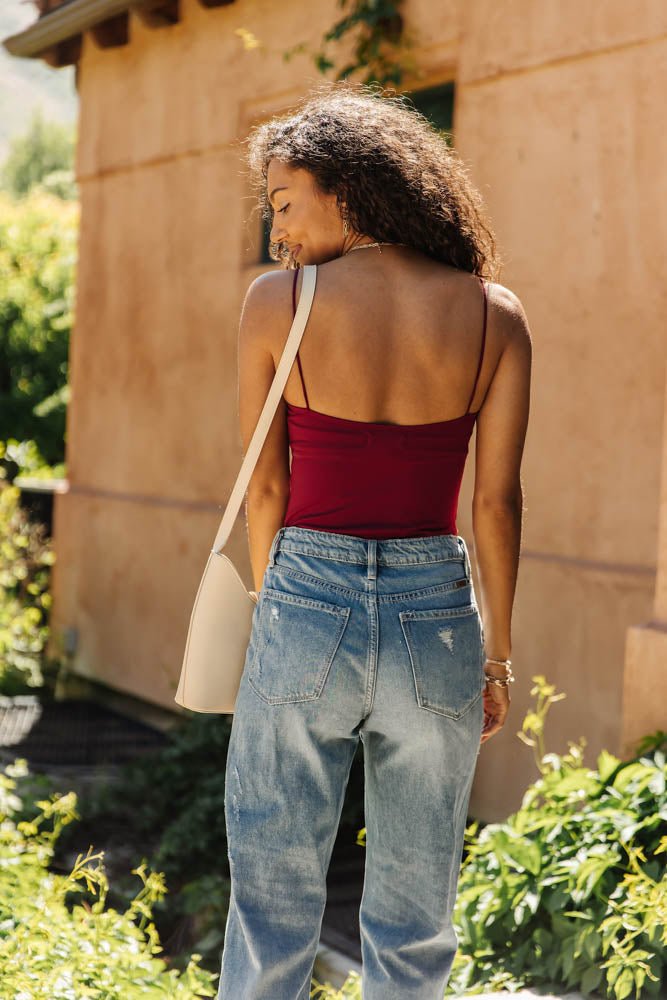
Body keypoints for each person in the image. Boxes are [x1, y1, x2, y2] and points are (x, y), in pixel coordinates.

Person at [217, 81, 531, 1000]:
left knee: (272, 907)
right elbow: (498, 504)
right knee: (414, 917)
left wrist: (282, 607)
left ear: (347, 190)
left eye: (284, 204)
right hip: (438, 618)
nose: (277, 232)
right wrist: (497, 659)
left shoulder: (281, 301)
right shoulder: (495, 313)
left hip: (304, 595)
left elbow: (266, 485)